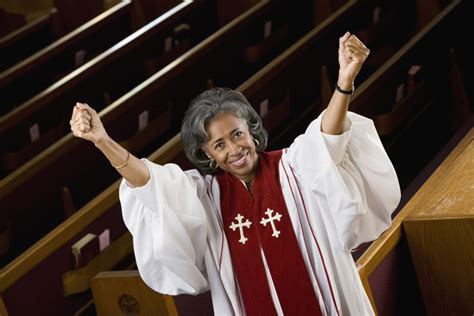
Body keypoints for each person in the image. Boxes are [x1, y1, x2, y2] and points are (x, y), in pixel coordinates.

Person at [70, 32, 400, 315]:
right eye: (219, 144)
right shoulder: (205, 197)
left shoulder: (294, 167)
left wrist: (344, 83)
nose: (234, 149)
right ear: (207, 154)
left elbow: (328, 138)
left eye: (237, 134)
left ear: (252, 130)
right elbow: (152, 184)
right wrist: (103, 141)